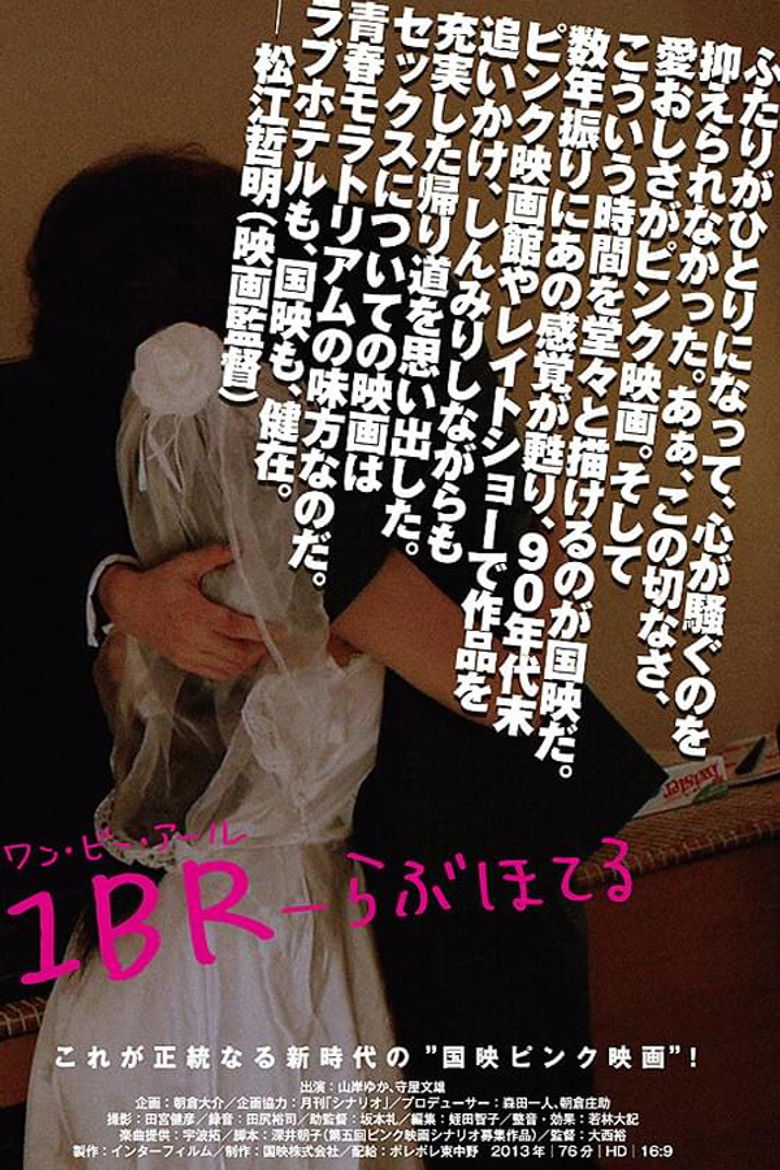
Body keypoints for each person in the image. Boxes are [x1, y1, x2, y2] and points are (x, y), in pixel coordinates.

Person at [22, 148, 665, 1169]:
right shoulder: (325, 549)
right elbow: (508, 688)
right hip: (294, 956)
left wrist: (116, 591)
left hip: (152, 961)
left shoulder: (143, 567)